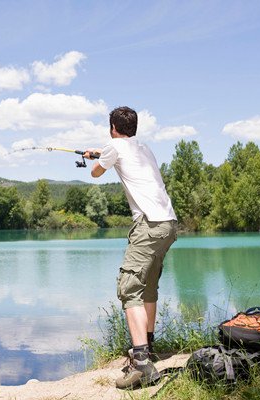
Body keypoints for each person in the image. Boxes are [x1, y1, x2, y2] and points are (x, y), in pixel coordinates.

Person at [84, 106, 178, 390]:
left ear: (113, 127)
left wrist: (95, 156)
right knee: (148, 287)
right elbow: (119, 155)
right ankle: (147, 347)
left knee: (128, 288)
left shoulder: (113, 145)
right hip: (168, 224)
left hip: (148, 225)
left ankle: (141, 364)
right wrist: (100, 151)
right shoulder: (144, 148)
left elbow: (95, 173)